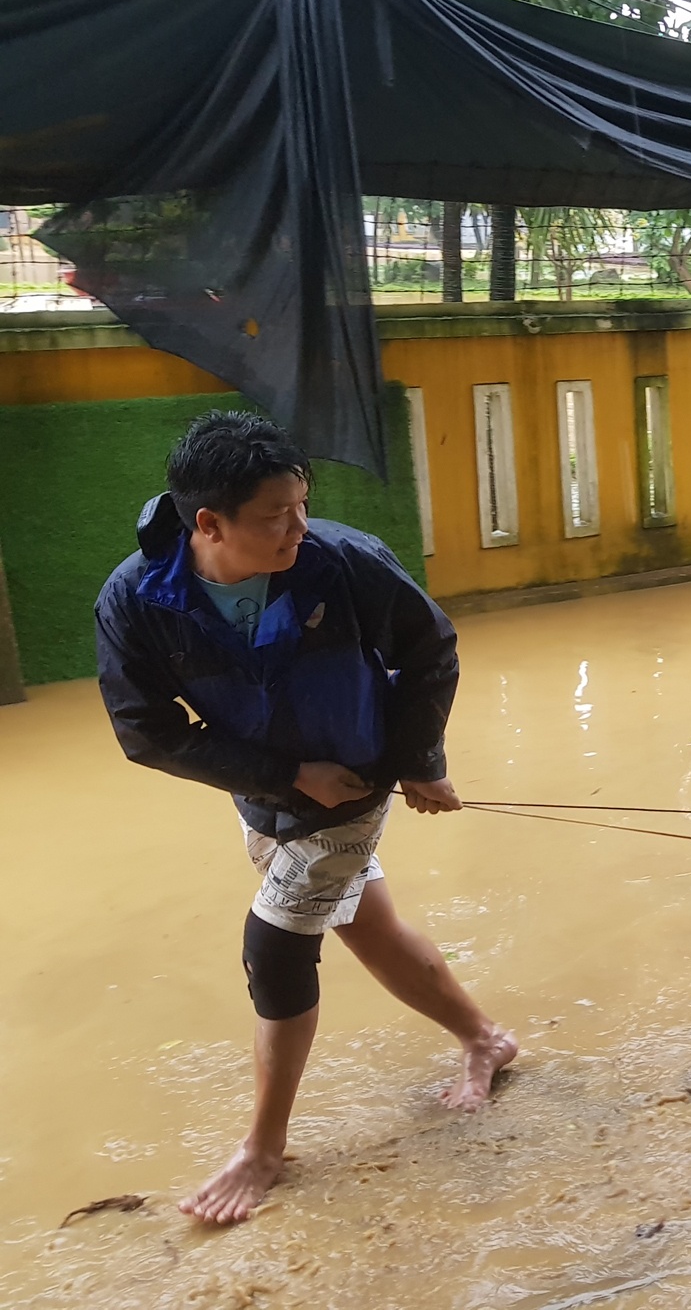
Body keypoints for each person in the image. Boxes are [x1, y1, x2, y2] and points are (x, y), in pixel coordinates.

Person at [94, 410, 517, 1227]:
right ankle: (485, 1038)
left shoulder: (342, 561)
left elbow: (430, 652)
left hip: (353, 783)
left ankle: (263, 1150)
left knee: (277, 947)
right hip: (263, 788)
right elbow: (145, 733)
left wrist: (415, 762)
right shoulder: (136, 598)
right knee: (367, 925)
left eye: (302, 502)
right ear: (207, 523)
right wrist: (285, 775)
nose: (298, 527)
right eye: (274, 515)